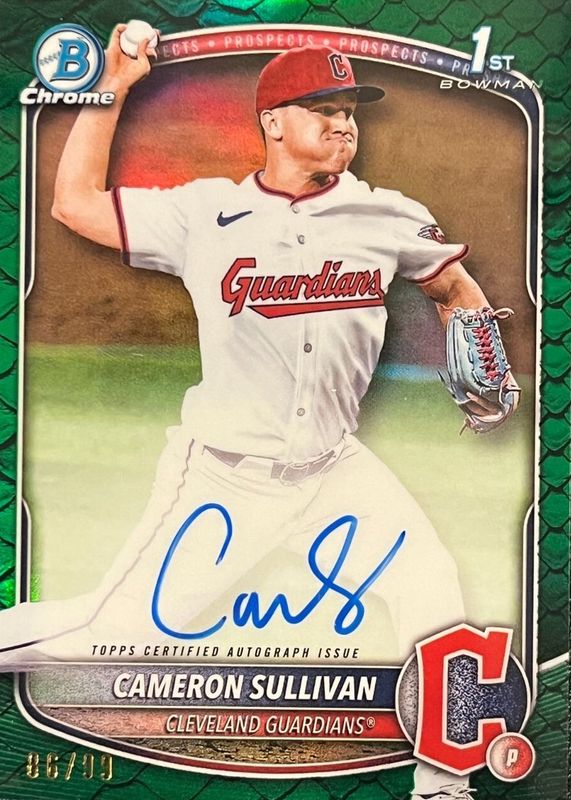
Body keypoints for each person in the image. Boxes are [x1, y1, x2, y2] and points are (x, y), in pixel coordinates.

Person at [1, 26, 518, 799]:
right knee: (110, 634)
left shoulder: (389, 215)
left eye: (349, 110)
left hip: (336, 473)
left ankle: (443, 787)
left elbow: (450, 286)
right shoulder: (204, 213)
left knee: (430, 584)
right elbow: (72, 204)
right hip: (224, 480)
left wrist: (480, 352)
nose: (342, 123)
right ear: (273, 122)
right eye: (323, 108)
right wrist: (114, 85)